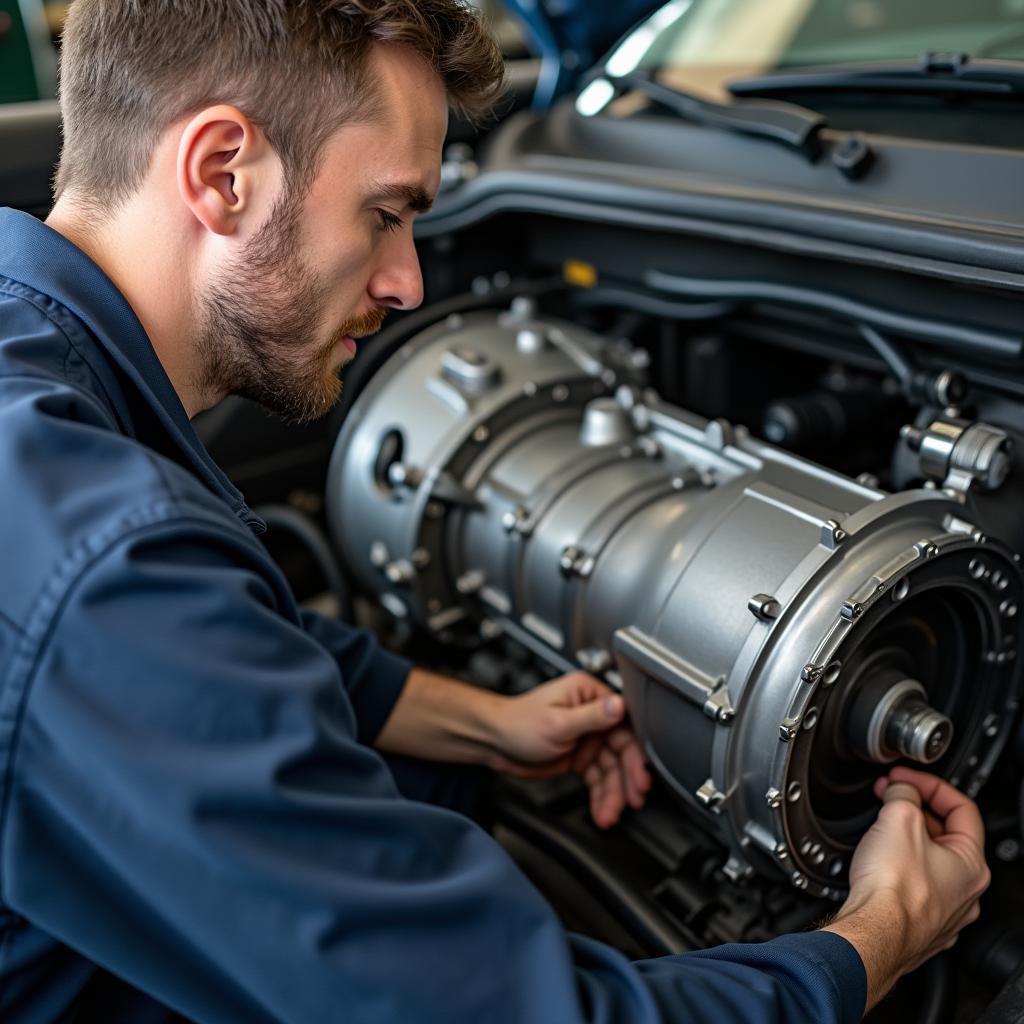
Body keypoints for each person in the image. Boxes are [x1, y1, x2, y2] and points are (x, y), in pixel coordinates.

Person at [0, 1, 989, 1021]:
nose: (407, 281)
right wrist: (873, 937)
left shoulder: (38, 377)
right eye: (385, 214)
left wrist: (488, 727)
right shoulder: (106, 570)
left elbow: (233, 649)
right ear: (220, 172)